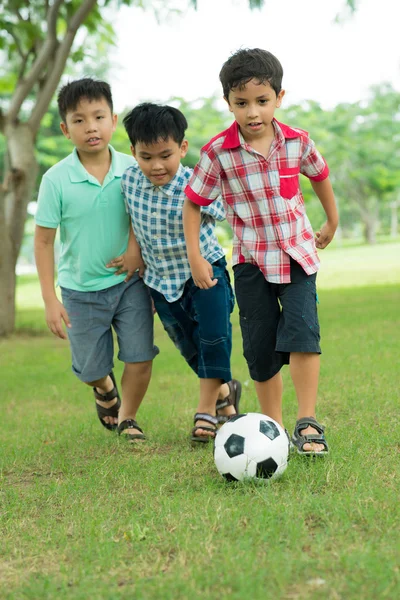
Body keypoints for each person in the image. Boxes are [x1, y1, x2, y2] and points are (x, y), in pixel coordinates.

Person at [183, 48, 339, 455]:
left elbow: (320, 175)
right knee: (261, 346)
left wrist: (331, 221)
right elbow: (194, 202)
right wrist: (196, 257)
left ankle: (307, 422)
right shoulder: (218, 152)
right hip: (251, 262)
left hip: (298, 255)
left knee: (304, 334)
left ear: (279, 97)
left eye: (262, 101)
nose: (253, 112)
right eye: (242, 103)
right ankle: (274, 427)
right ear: (228, 103)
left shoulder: (297, 142)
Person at [108, 102, 241, 443]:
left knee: (214, 337)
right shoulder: (129, 182)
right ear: (133, 152)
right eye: (146, 156)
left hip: (204, 272)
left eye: (165, 155)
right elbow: (135, 221)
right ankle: (226, 393)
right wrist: (134, 251)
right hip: (160, 283)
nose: (156, 165)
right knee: (191, 347)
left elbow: (223, 212)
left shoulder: (196, 183)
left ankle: (205, 412)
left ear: (182, 148)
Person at [34, 78, 159, 442]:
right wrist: (49, 299)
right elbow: (43, 242)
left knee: (139, 357)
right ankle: (103, 388)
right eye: (79, 120)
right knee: (90, 368)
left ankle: (128, 418)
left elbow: (142, 215)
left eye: (99, 117)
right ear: (64, 129)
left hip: (129, 283)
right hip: (79, 291)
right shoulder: (55, 180)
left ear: (113, 120)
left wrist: (135, 251)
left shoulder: (133, 168)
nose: (91, 127)